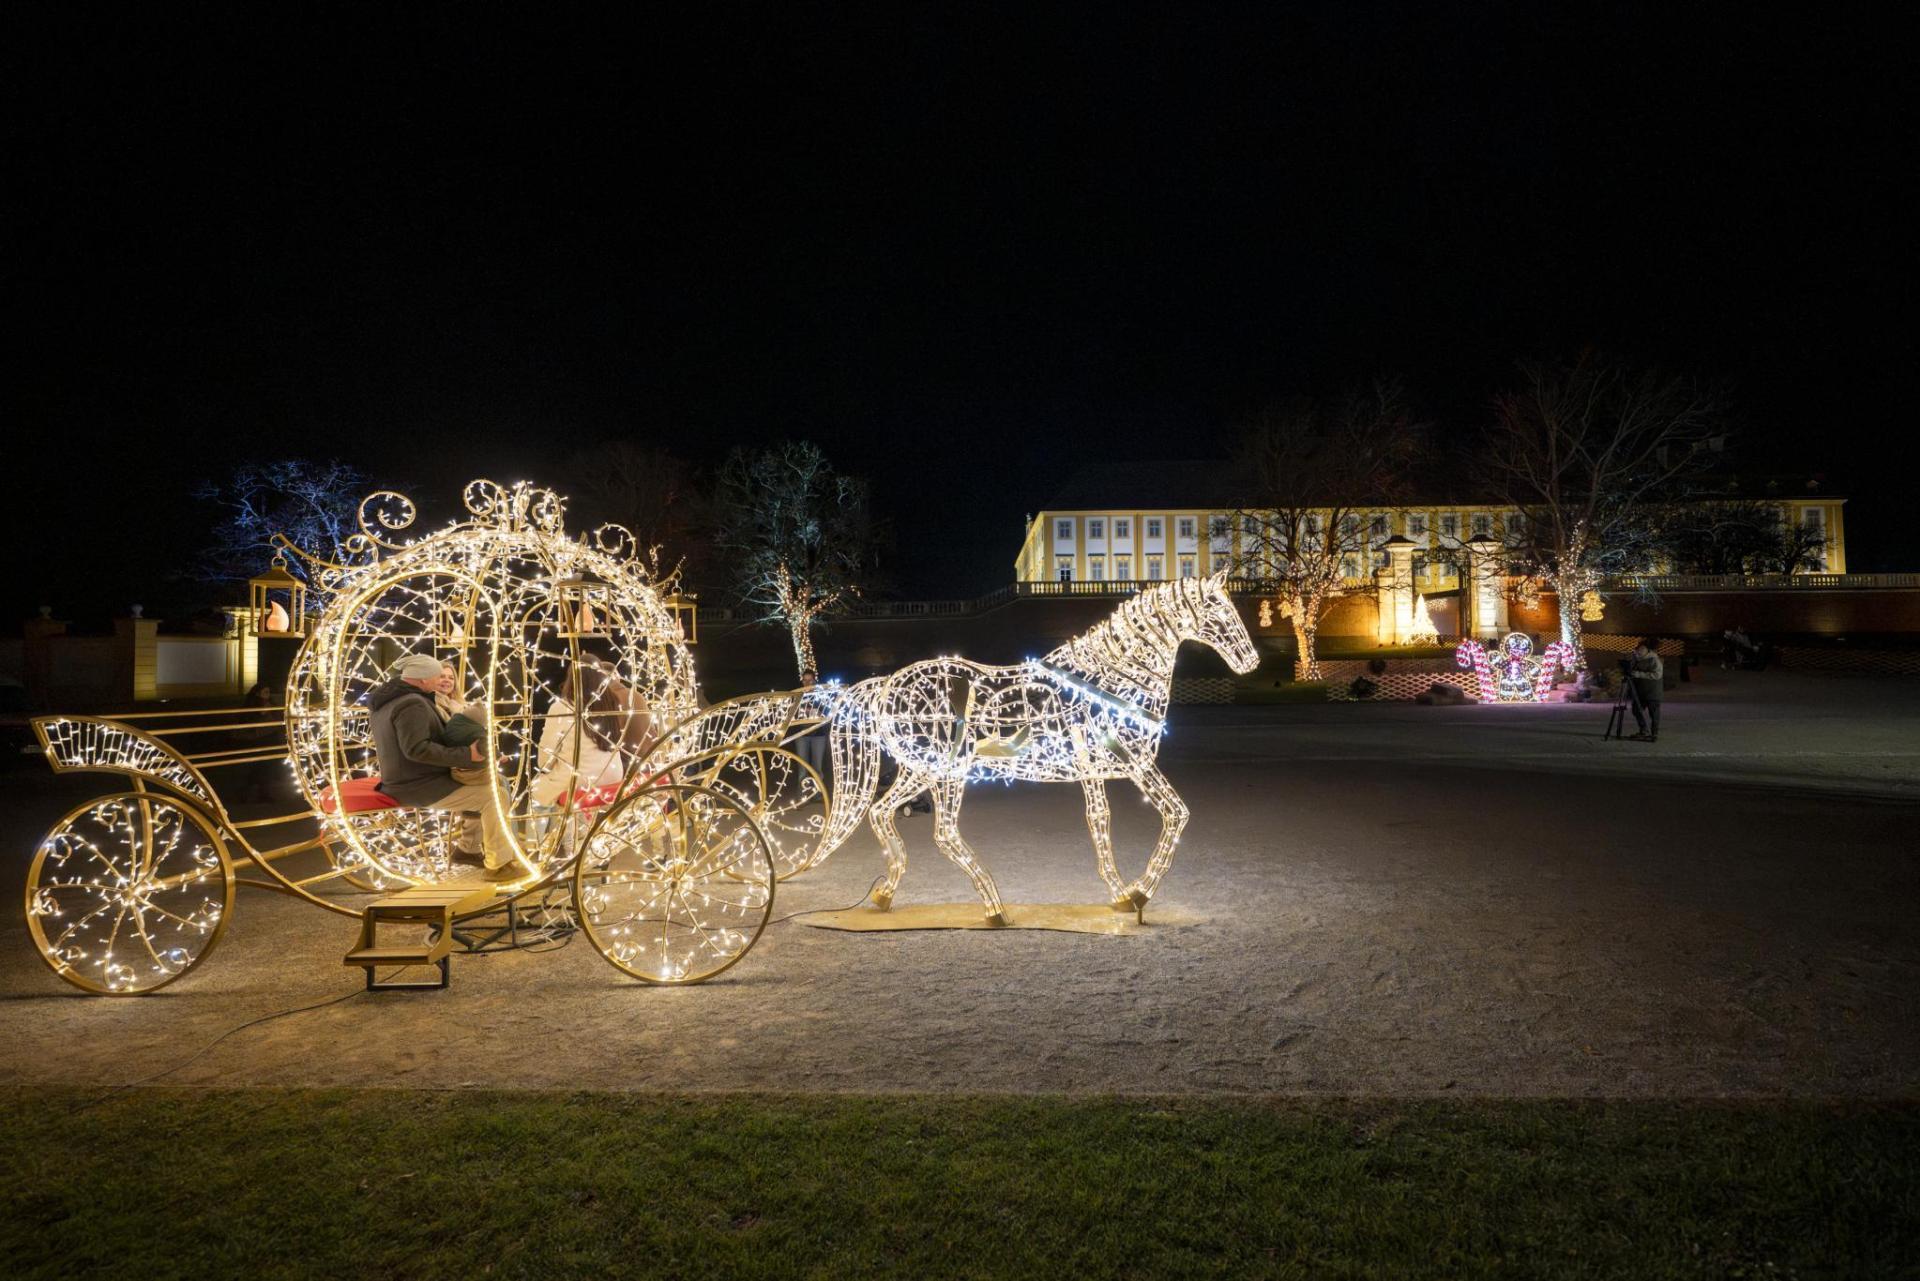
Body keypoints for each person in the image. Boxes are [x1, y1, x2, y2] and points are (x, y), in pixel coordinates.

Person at [368, 653, 528, 882]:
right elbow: (417, 749)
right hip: (418, 785)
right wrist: (467, 755)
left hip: (408, 780)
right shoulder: (412, 703)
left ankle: (472, 848)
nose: (440, 679)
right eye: (437, 675)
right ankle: (499, 866)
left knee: (494, 783)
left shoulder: (390, 702)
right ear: (423, 678)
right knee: (494, 796)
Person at [1627, 638, 1664, 742]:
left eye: (1641, 649)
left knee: (1654, 714)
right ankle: (1644, 730)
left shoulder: (1654, 660)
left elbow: (1657, 675)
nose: (1639, 651)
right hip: (1639, 692)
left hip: (1653, 692)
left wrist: (1639, 674)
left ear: (1647, 650)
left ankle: (1654, 733)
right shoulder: (1636, 659)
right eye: (1638, 649)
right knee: (1636, 710)